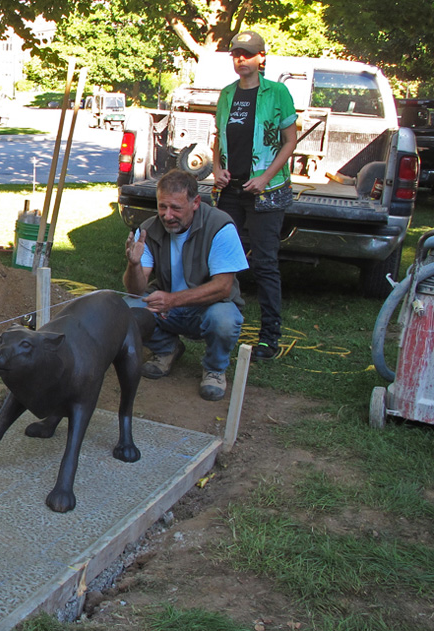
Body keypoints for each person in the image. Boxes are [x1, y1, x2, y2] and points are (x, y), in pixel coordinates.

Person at [123, 169, 249, 401]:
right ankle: (166, 349)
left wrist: (172, 300)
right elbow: (135, 290)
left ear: (196, 203)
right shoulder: (148, 230)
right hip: (168, 306)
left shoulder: (221, 226)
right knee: (126, 309)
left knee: (225, 319)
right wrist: (134, 264)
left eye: (175, 208)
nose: (167, 215)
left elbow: (223, 287)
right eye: (162, 206)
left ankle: (214, 369)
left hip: (209, 306)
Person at [212, 30, 298, 361]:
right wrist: (217, 168)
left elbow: (290, 140)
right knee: (222, 259)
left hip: (267, 192)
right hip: (231, 191)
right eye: (235, 54)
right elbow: (219, 137)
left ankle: (269, 336)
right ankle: (225, 326)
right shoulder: (227, 94)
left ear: (261, 57)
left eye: (247, 54)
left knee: (264, 264)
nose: (240, 60)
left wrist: (265, 177)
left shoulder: (277, 93)